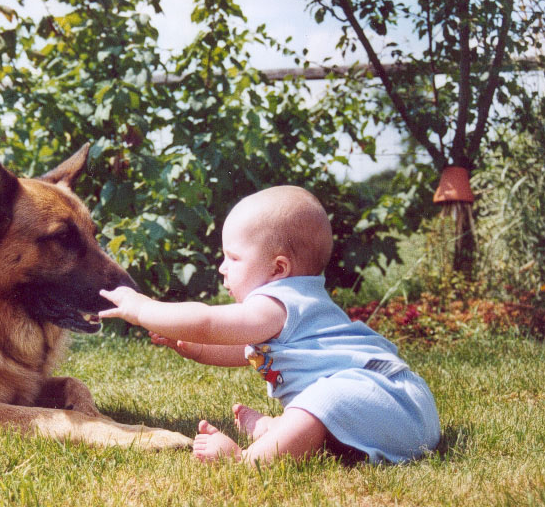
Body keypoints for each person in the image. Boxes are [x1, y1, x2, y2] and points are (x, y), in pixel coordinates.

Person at [99, 186, 440, 465]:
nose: (222, 268)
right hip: (394, 411)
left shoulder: (278, 301)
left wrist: (142, 308)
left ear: (278, 269)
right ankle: (280, 430)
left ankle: (246, 459)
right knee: (320, 401)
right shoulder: (291, 306)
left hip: (394, 403)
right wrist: (195, 347)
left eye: (233, 258)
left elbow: (206, 321)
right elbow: (243, 350)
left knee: (323, 397)